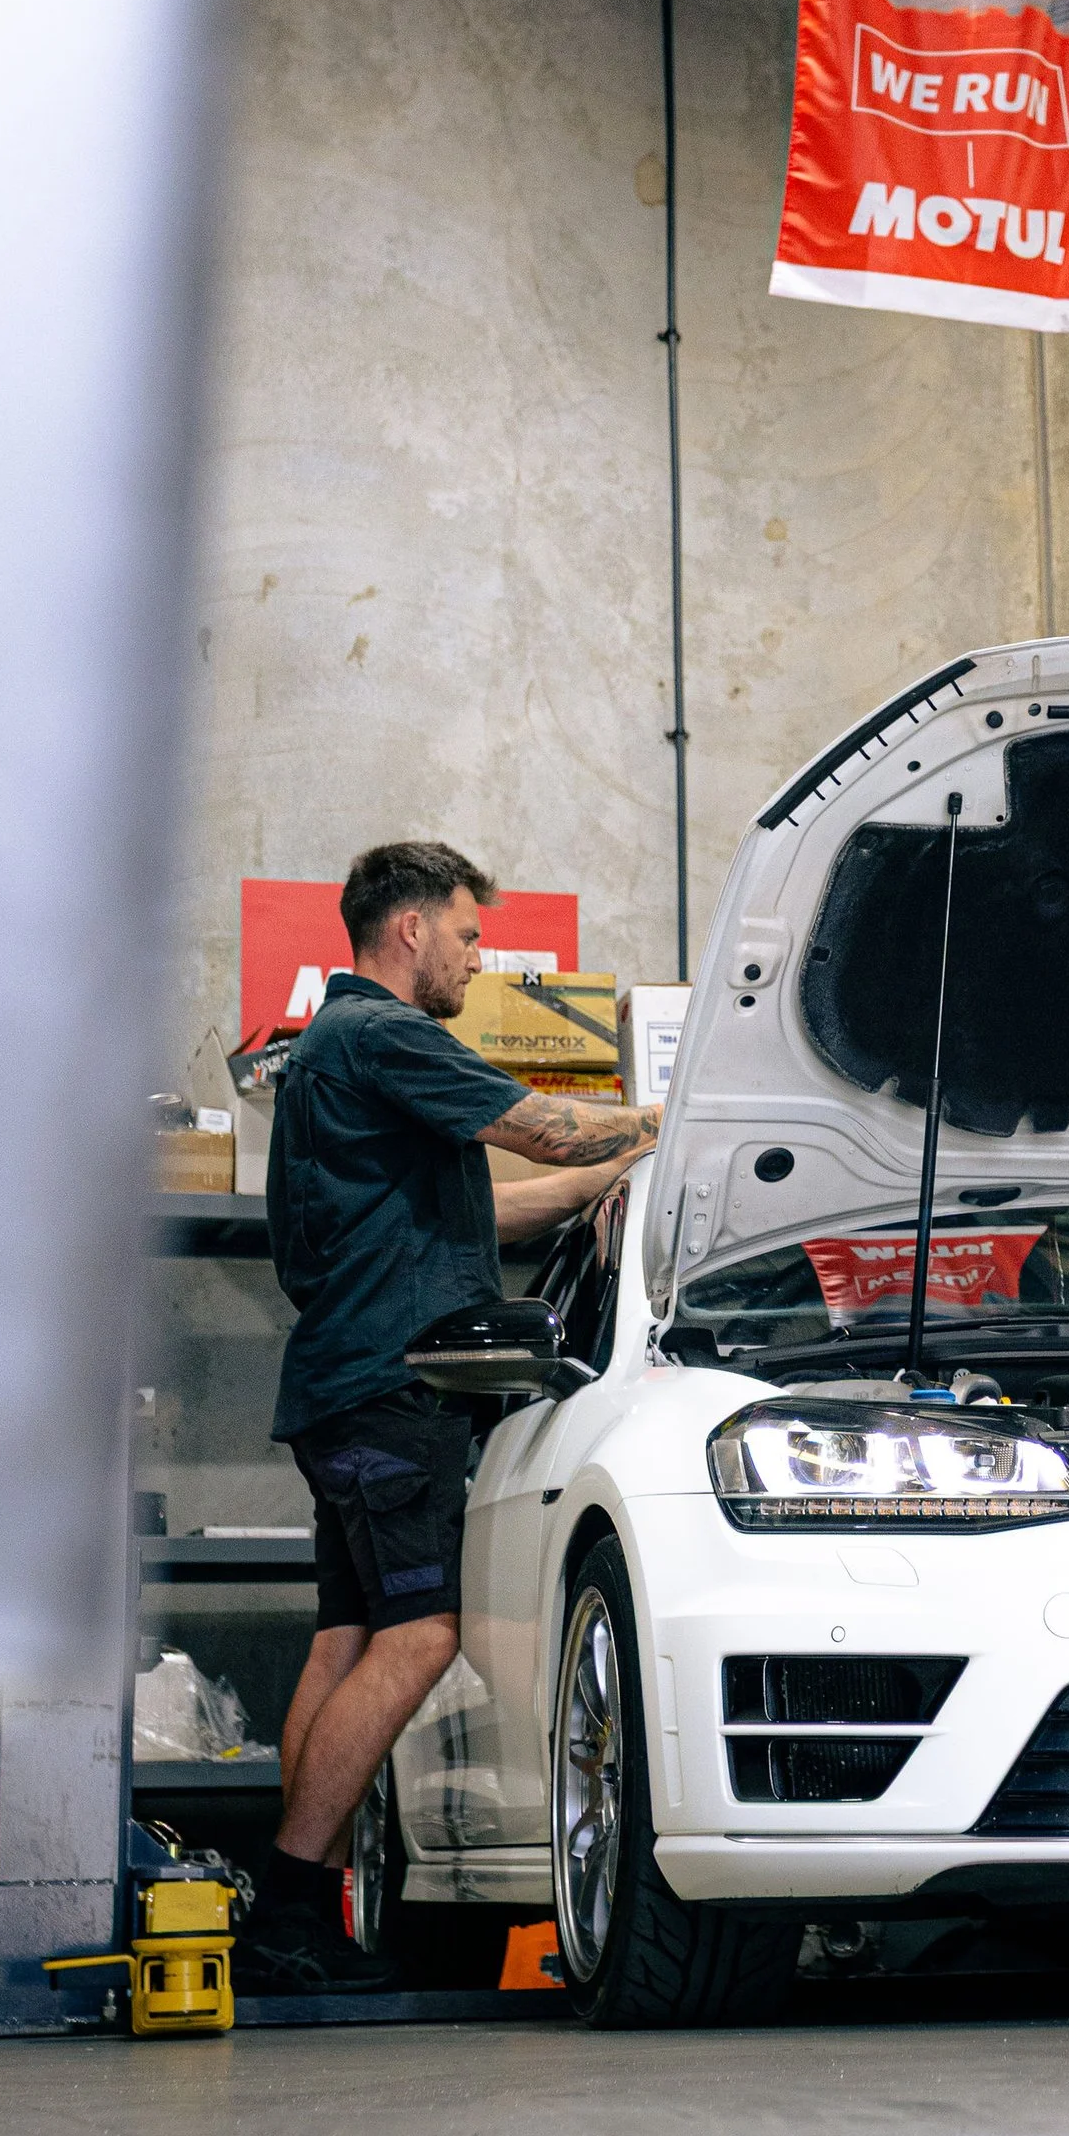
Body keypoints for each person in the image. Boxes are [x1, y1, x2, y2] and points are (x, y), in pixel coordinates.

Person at [238, 840, 661, 1992]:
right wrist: (675, 1123)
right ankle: (287, 1906)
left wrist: (606, 1179)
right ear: (410, 926)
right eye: (470, 934)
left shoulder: (332, 1049)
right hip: (396, 1388)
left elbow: (505, 1202)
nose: (479, 959)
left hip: (343, 1386)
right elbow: (547, 1129)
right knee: (423, 1634)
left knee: (345, 1640)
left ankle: (292, 1916)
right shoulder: (384, 1032)